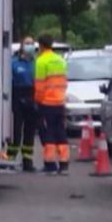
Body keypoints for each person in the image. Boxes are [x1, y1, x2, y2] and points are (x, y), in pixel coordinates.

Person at [34, 33, 70, 175]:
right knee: (60, 131)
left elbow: (40, 85)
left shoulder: (41, 61)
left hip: (46, 103)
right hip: (60, 102)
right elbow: (64, 82)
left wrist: (37, 101)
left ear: (41, 45)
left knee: (47, 132)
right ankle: (64, 163)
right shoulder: (60, 60)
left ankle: (50, 164)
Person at [8, 36, 38, 172]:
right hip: (17, 97)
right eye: (27, 43)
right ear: (21, 46)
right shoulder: (13, 63)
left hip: (33, 97)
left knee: (30, 132)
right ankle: (9, 159)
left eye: (31, 43)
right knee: (16, 130)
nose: (30, 46)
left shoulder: (36, 63)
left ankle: (27, 161)